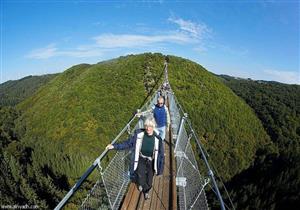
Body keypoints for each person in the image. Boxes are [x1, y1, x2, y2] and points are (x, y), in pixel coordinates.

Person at [106, 117, 164, 199]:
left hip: (151, 161)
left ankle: (146, 190)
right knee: (141, 178)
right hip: (141, 159)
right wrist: (114, 146)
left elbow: (161, 155)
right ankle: (142, 185)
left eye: (150, 126)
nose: (148, 128)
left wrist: (160, 170)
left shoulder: (158, 139)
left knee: (150, 181)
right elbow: (128, 143)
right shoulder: (139, 135)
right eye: (146, 126)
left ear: (154, 126)